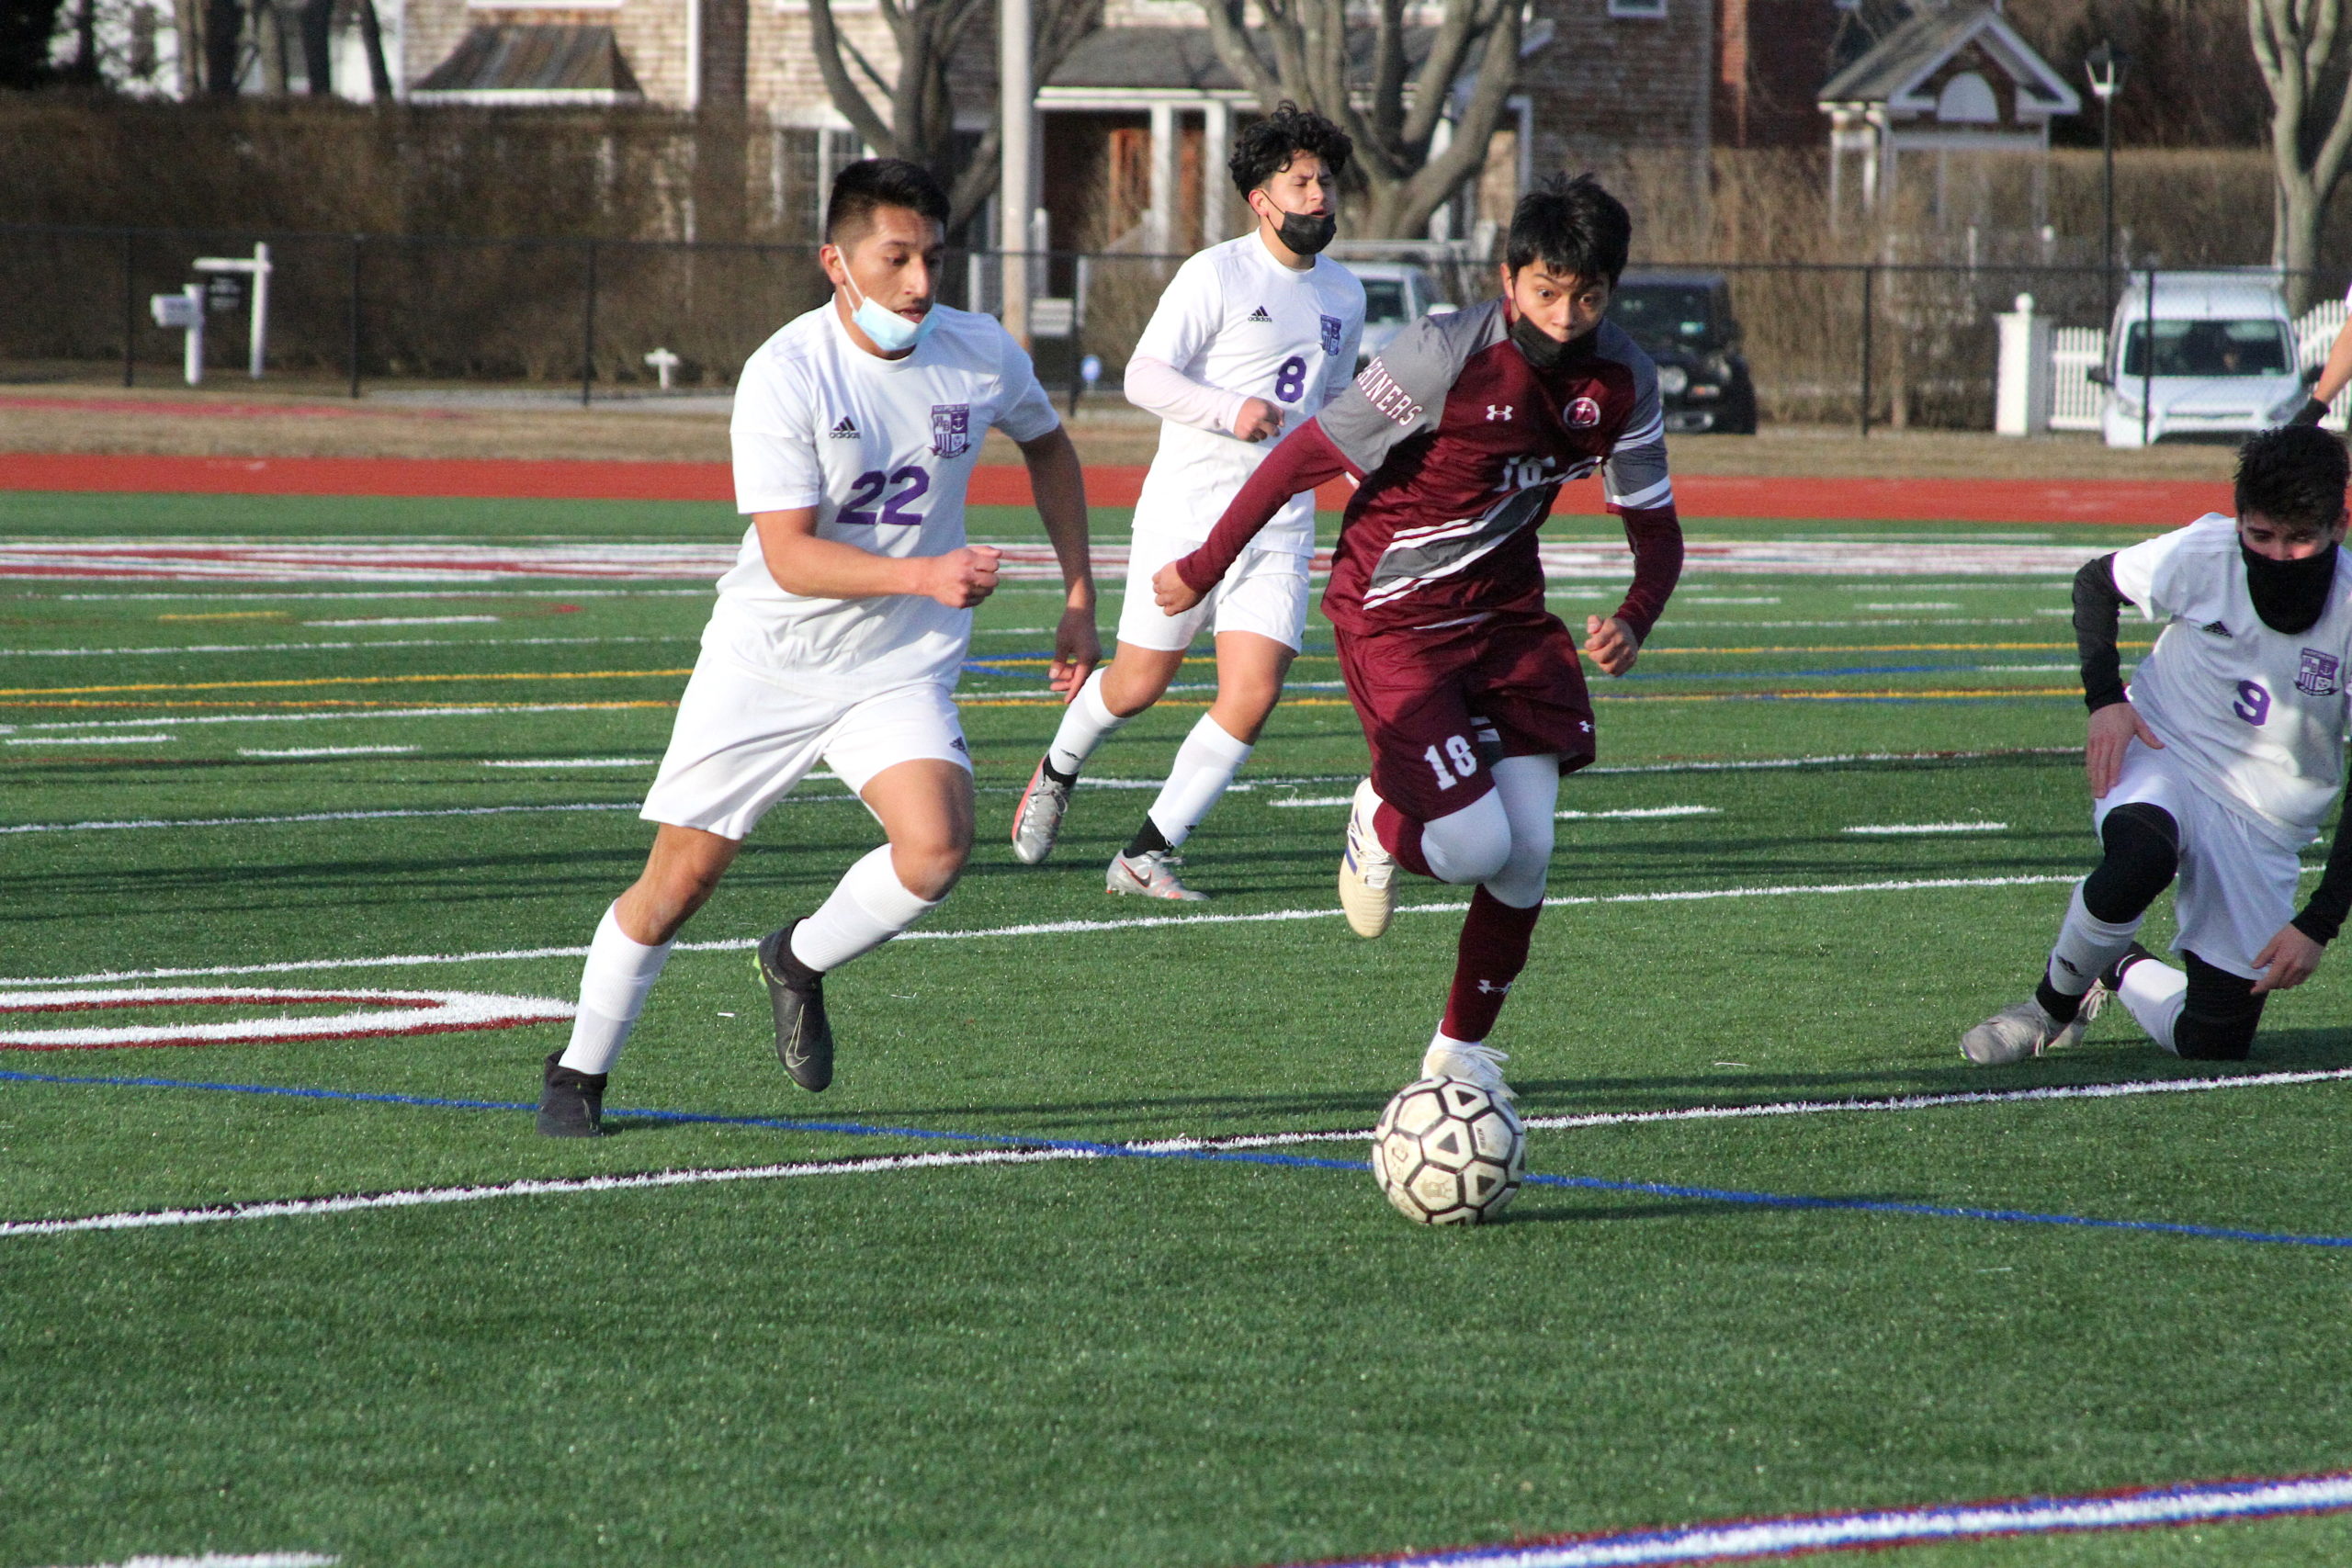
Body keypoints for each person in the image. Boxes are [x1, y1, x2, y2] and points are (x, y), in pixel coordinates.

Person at [536, 158, 1099, 1135]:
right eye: (896, 258)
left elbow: (1048, 445)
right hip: (770, 661)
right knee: (680, 883)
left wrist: (1080, 595)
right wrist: (927, 573)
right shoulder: (785, 372)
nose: (920, 282)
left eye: (932, 256)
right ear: (834, 262)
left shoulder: (978, 352)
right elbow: (790, 556)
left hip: (898, 662)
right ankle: (578, 1073)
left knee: (936, 847)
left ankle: (796, 960)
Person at [1151, 175, 1683, 1099]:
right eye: (1546, 292)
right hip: (1392, 617)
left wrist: (1633, 617)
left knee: (1526, 857)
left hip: (1509, 621)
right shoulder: (1440, 355)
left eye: (1587, 297)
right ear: (1509, 277)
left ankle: (1458, 1052)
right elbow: (1300, 457)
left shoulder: (1624, 380)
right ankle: (1379, 815)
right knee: (1474, 847)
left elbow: (1657, 530)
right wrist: (1203, 566)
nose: (1564, 317)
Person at [1007, 104, 1365, 899]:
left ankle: (1146, 853)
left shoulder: (1347, 292)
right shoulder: (1217, 273)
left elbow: (1335, 413)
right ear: (1260, 199)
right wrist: (1227, 410)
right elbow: (1144, 375)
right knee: (1137, 684)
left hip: (1278, 527)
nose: (1317, 195)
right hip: (1190, 514)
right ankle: (1058, 768)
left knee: (1254, 691)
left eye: (1326, 180)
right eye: (1299, 181)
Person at [1962, 424, 2352, 1066]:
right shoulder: (2204, 552)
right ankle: (2046, 1010)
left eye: (2299, 539)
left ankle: (2113, 963)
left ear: (2339, 525)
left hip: (2266, 818)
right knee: (2141, 854)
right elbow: (2096, 584)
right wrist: (2105, 700)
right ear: (2238, 521)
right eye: (2261, 535)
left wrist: (2319, 921)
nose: (2279, 556)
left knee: (2215, 1042)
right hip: (2167, 746)